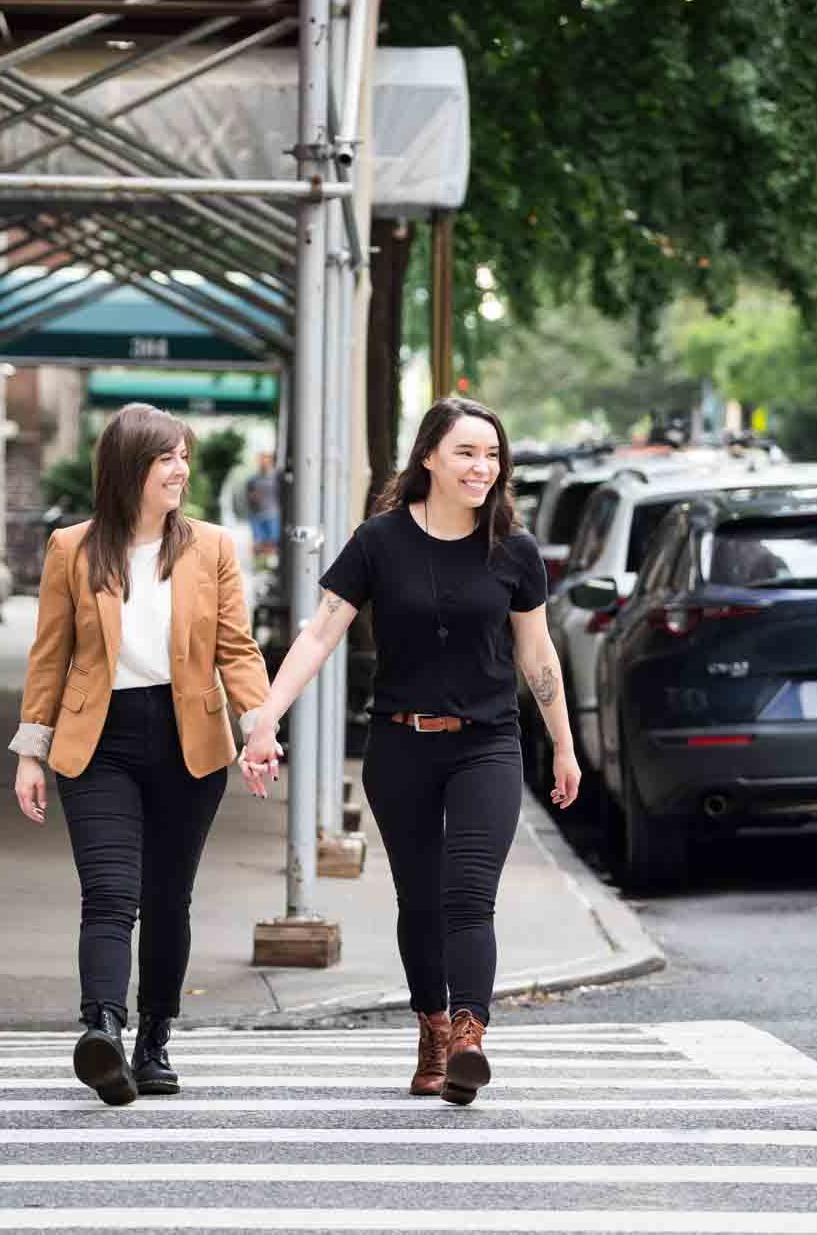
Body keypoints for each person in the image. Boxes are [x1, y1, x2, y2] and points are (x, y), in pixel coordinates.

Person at [241, 397, 581, 1105]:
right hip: (400, 744)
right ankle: (430, 1026)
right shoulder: (380, 541)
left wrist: (565, 746)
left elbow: (537, 653)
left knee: (468, 892)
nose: (482, 467)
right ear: (429, 455)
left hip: (487, 744)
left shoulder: (512, 547)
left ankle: (468, 1033)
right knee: (419, 899)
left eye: (492, 455)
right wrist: (266, 716)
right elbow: (319, 633)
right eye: (466, 452)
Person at [10, 403, 274, 1106]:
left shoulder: (210, 547)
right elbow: (49, 657)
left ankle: (154, 1036)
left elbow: (236, 648)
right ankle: (101, 1027)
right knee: (110, 893)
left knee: (166, 900)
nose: (181, 470)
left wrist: (258, 725)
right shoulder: (74, 548)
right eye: (167, 459)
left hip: (188, 741)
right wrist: (30, 751)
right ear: (130, 469)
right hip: (98, 742)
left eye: (183, 456)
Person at [245, 453, 282, 559]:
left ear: (270, 462)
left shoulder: (277, 477)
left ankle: (269, 564)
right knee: (258, 542)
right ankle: (260, 563)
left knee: (272, 542)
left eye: (266, 460)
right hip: (256, 515)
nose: (263, 463)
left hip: (272, 514)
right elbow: (249, 497)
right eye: (261, 461)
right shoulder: (253, 479)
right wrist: (253, 496)